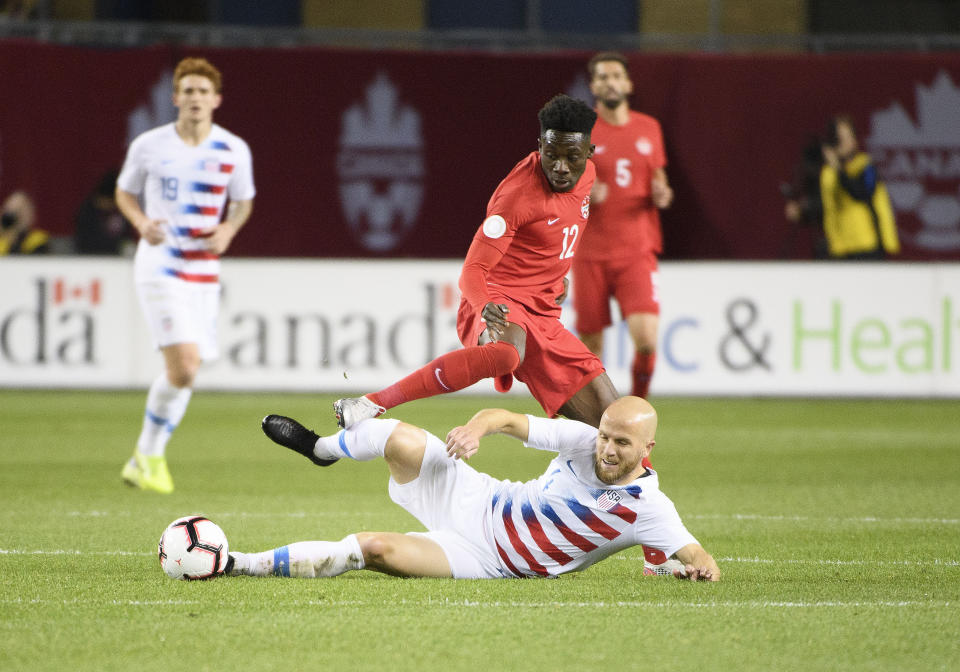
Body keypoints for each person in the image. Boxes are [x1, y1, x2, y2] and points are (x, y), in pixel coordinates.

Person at [334, 94, 620, 434]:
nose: (560, 166)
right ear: (539, 145)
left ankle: (622, 487)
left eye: (571, 157)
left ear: (589, 153)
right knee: (505, 353)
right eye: (551, 154)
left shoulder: (588, 176)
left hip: (544, 311)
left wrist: (557, 272)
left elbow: (559, 229)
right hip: (496, 297)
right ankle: (370, 403)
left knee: (614, 423)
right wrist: (485, 306)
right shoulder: (516, 197)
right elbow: (472, 271)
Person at [231, 397, 720, 581]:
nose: (607, 450)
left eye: (622, 443)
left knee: (372, 548)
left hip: (487, 560)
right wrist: (475, 430)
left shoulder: (649, 507)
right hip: (476, 496)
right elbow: (504, 417)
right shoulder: (582, 440)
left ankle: (235, 564)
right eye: (605, 436)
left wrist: (691, 572)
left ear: (648, 446)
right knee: (395, 437)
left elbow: (703, 562)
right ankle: (321, 449)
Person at [116, 57, 255, 493]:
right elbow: (124, 192)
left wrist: (230, 229)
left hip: (203, 268)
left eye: (202, 91)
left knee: (188, 371)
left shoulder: (233, 149)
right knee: (186, 366)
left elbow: (243, 200)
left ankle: (145, 457)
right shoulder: (149, 145)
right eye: (187, 91)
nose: (195, 98)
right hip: (160, 264)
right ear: (175, 98)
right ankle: (149, 456)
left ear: (216, 99)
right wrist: (141, 223)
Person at [571, 52, 674, 400]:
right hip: (591, 253)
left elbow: (660, 183)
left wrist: (662, 194)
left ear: (628, 84)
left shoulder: (649, 128)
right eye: (602, 77)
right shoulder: (584, 130)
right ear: (593, 86)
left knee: (646, 341)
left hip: (637, 249)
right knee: (590, 345)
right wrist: (584, 190)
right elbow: (562, 186)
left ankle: (637, 410)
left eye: (616, 76)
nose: (609, 82)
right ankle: (596, 417)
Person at [820, 115, 899, 260]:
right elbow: (825, 206)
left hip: (867, 245)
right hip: (839, 247)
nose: (844, 143)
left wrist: (839, 170)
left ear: (855, 140)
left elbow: (861, 193)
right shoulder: (827, 173)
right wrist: (802, 209)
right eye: (839, 138)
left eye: (847, 137)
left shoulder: (865, 166)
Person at [74, 169, 135, 255]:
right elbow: (84, 242)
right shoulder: (87, 213)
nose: (110, 206)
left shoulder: (121, 212)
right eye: (107, 201)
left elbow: (126, 237)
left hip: (116, 260)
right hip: (89, 259)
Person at [0, 191, 50, 255]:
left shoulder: (37, 239)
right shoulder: (2, 241)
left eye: (19, 210)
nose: (13, 215)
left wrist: (14, 236)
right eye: (9, 210)